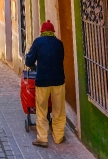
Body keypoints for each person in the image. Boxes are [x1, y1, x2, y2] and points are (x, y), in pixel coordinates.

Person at [25, 20, 66, 148]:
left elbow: (29, 61)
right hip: (58, 81)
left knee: (42, 109)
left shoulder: (38, 42)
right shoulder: (59, 43)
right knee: (58, 109)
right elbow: (61, 58)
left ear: (42, 32)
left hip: (42, 81)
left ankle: (42, 138)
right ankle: (58, 137)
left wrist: (33, 64)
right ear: (52, 32)